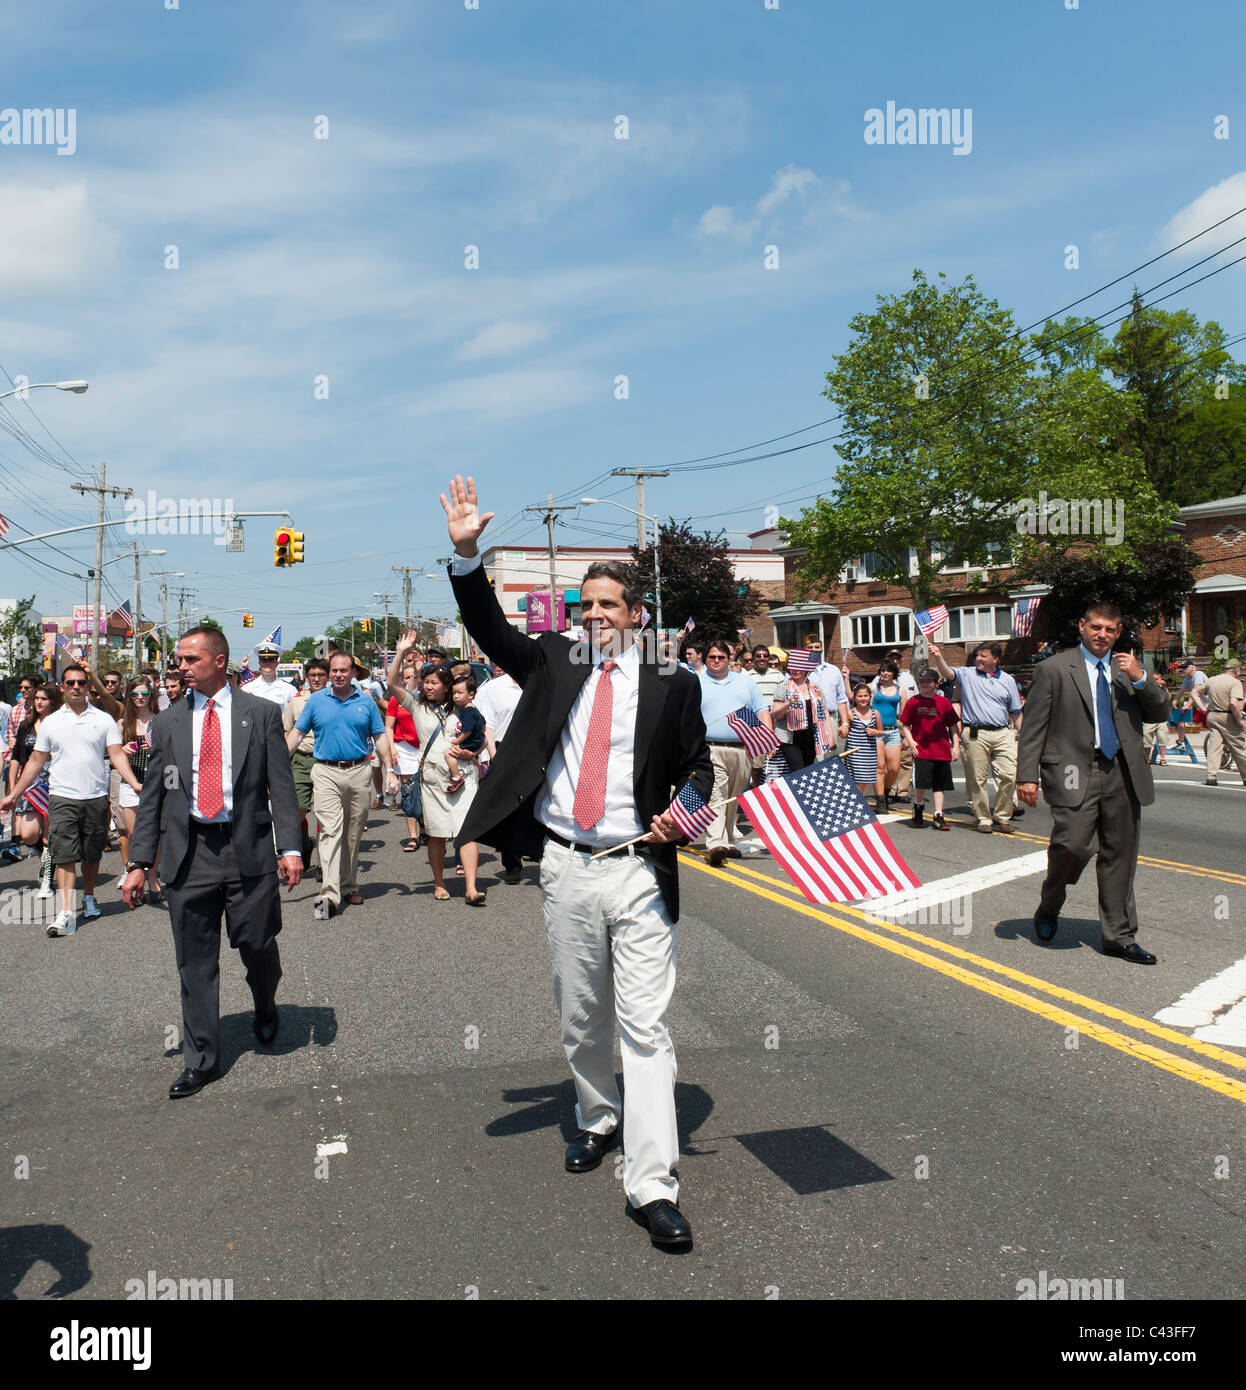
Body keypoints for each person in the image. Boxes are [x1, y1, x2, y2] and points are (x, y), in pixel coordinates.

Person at [443, 474, 712, 1249]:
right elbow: (490, 629)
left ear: (637, 616)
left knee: (646, 1025)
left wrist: (685, 812)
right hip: (564, 865)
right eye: (585, 605)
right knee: (581, 1012)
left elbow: (698, 764)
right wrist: (467, 555)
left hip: (638, 867)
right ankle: (596, 1118)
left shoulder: (673, 682)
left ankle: (652, 1182)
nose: (594, 616)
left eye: (608, 606)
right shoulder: (553, 661)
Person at [121, 627, 303, 1097]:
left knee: (257, 944)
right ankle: (201, 1059)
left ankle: (265, 1002)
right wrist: (139, 861)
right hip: (190, 854)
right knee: (194, 963)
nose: (180, 667)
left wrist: (291, 848)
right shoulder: (167, 724)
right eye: (179, 659)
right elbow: (154, 799)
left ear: (219, 661)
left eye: (189, 659)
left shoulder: (260, 715)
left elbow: (281, 788)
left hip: (248, 848)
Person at [1017, 602, 1170, 963]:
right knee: (1072, 846)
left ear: (1118, 633)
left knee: (1120, 854)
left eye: (1110, 629)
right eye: (1096, 627)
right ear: (1083, 626)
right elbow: (1034, 726)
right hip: (1072, 770)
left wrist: (1140, 678)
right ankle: (1049, 905)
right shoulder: (1054, 669)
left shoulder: (1127, 670)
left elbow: (1160, 711)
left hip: (1122, 771)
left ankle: (1118, 936)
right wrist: (1027, 775)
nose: (1102, 634)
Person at [0, 664, 142, 938]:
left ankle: (88, 895)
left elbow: (117, 754)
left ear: (88, 685)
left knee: (90, 854)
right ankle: (65, 911)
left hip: (95, 797)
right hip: (62, 796)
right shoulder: (52, 722)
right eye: (70, 683)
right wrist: (13, 794)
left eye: (81, 682)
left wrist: (134, 783)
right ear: (63, 687)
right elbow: (36, 761)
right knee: (64, 854)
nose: (76, 686)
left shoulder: (102, 720)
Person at [286, 651, 398, 918]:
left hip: (359, 771)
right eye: (333, 670)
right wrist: (276, 766)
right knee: (330, 830)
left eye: (343, 671)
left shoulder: (366, 701)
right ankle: (329, 894)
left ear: (352, 673)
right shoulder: (316, 701)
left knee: (353, 832)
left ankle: (349, 885)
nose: (337, 675)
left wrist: (390, 770)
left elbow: (380, 737)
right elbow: (297, 734)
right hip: (325, 771)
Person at [928, 640, 1022, 834]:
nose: (978, 658)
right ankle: (984, 818)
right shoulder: (968, 674)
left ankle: (1003, 816)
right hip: (975, 733)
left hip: (1003, 732)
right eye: (978, 655)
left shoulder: (1008, 680)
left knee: (1009, 775)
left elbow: (1015, 711)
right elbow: (948, 673)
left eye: (983, 656)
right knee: (977, 780)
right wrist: (938, 657)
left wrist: (1024, 735)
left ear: (995, 659)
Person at [698, 636, 774, 866]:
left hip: (743, 749)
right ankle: (715, 843)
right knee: (716, 795)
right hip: (710, 748)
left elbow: (761, 710)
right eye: (712, 657)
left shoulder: (745, 682)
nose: (717, 661)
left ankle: (728, 840)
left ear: (729, 658)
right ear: (705, 658)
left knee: (733, 796)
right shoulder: (696, 682)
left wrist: (768, 738)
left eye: (721, 657)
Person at [471, 658, 525, 882]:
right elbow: (488, 726)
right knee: (509, 810)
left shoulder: (534, 683)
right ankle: (512, 862)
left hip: (532, 748)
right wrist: (493, 757)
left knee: (535, 806)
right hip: (502, 750)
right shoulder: (493, 688)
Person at [7, 683, 62, 894]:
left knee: (49, 833)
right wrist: (13, 788)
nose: (38, 702)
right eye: (37, 698)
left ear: (53, 701)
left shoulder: (60, 724)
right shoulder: (26, 725)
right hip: (30, 783)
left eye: (44, 699)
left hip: (55, 781)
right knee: (28, 834)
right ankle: (46, 860)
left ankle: (47, 879)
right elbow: (17, 758)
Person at [117, 676, 162, 903]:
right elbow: (112, 757)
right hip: (130, 782)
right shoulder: (123, 723)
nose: (139, 698)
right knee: (135, 834)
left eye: (144, 694)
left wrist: (155, 748)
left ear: (151, 695)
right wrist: (123, 750)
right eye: (134, 694)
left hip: (154, 782)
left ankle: (153, 878)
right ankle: (137, 874)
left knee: (154, 834)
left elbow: (171, 753)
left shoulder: (160, 720)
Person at [899, 669, 961, 831]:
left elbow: (953, 725)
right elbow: (905, 724)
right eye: (922, 681)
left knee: (939, 784)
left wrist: (956, 745)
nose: (924, 684)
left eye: (929, 681)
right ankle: (918, 806)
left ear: (936, 684)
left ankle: (938, 815)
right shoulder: (913, 702)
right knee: (921, 782)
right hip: (921, 749)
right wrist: (911, 741)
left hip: (941, 749)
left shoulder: (943, 702)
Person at [283, 657, 329, 869]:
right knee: (298, 810)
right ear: (306, 678)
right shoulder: (297, 702)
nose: (317, 679)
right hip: (300, 760)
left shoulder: (335, 699)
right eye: (313, 676)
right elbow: (287, 731)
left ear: (327, 677)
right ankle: (304, 846)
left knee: (324, 812)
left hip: (326, 760)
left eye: (321, 675)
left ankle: (323, 862)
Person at [383, 654, 424, 851]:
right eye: (405, 677)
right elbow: (389, 727)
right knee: (408, 792)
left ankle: (425, 827)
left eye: (413, 677)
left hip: (424, 749)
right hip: (404, 749)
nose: (409, 680)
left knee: (426, 791)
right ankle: (413, 836)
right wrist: (392, 749)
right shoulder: (395, 700)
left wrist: (418, 668)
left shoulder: (426, 697)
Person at [870, 650, 917, 801]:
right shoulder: (876, 682)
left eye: (897, 659)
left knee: (900, 763)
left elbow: (911, 705)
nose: (886, 673)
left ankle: (900, 791)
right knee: (881, 765)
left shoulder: (908, 679)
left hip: (898, 724)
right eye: (891, 659)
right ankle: (883, 796)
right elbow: (858, 697)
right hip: (878, 727)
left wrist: (909, 735)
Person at [869, 660, 908, 814]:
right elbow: (855, 696)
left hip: (892, 732)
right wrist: (846, 678)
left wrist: (906, 736)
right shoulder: (874, 687)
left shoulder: (901, 690)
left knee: (893, 768)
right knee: (879, 767)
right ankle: (880, 801)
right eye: (882, 670)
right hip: (876, 731)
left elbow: (905, 716)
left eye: (888, 671)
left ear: (894, 673)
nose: (885, 673)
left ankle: (884, 792)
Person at [1203, 658, 1246, 786]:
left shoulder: (1212, 680)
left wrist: (1202, 707)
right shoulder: (1235, 682)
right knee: (1238, 747)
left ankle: (1211, 775)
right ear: (1237, 670)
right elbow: (1233, 703)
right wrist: (1239, 720)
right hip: (1228, 717)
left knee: (1214, 747)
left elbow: (1195, 692)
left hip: (1213, 715)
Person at [444, 672, 486, 794]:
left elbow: (467, 731)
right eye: (454, 693)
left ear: (471, 694)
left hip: (471, 743)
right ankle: (480, 776)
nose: (455, 696)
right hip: (476, 742)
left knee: (448, 753)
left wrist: (457, 741)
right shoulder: (474, 709)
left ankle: (456, 778)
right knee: (473, 760)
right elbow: (483, 724)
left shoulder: (467, 711)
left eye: (459, 693)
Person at [844, 680, 885, 798]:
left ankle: (857, 799)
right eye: (860, 696)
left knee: (867, 779)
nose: (863, 699)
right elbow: (843, 729)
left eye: (866, 696)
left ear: (870, 697)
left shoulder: (875, 713)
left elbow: (881, 732)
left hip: (869, 752)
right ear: (855, 698)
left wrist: (875, 732)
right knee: (857, 778)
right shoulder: (850, 713)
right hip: (854, 751)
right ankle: (856, 802)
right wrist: (843, 730)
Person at [247, 643, 298, 711]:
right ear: (259, 663)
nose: (268, 663)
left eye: (271, 660)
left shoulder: (289, 690)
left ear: (277, 663)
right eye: (264, 660)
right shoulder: (247, 689)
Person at [1142, 672, 1172, 766]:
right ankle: (1148, 758)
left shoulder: (1163, 689)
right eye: (1154, 679)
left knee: (1163, 738)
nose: (1157, 681)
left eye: (1158, 679)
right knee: (1147, 739)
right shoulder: (1148, 688)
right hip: (1149, 718)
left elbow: (1167, 698)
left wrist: (1163, 687)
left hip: (1161, 718)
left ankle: (1162, 759)